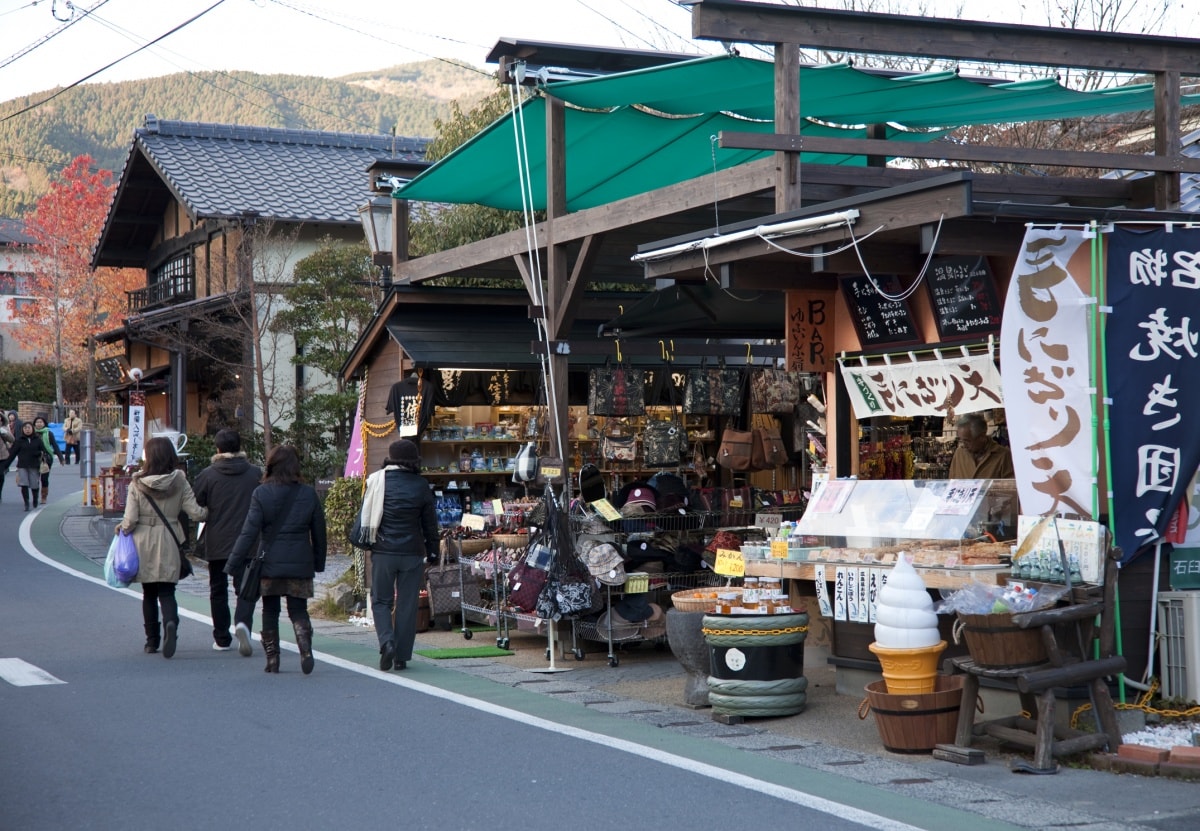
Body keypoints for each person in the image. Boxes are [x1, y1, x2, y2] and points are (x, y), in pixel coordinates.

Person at [225, 445, 326, 674]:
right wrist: (318, 563)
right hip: (300, 562)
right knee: (298, 610)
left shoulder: (261, 493)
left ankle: (273, 660)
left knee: (270, 611)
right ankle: (306, 649)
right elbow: (320, 532)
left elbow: (248, 532)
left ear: (271, 466)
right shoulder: (308, 493)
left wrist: (233, 563)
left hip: (268, 562)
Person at [118, 437, 208, 658]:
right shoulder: (179, 481)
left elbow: (130, 520)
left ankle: (151, 641)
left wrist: (121, 529)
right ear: (171, 455)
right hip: (169, 538)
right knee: (167, 591)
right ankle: (171, 624)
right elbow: (196, 513)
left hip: (143, 540)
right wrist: (211, 512)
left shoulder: (137, 483)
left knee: (149, 592)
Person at [357, 439, 439, 672]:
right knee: (407, 604)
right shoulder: (421, 485)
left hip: (383, 551)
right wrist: (433, 550)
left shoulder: (377, 481)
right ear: (414, 461)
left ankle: (387, 642)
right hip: (412, 552)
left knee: (381, 601)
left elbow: (367, 515)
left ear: (390, 458)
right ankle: (401, 657)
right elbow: (430, 524)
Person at [193, 429, 263, 653]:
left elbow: (197, 503)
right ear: (240, 447)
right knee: (245, 587)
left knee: (218, 589)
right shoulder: (255, 474)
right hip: (248, 541)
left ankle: (222, 638)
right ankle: (243, 623)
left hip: (217, 540)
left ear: (218, 449)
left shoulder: (207, 475)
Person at [948, 412, 1014, 480]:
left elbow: (1011, 486)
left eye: (967, 441)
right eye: (960, 440)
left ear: (982, 437)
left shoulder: (1003, 456)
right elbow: (951, 481)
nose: (963, 445)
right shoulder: (959, 453)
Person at [11, 421, 45, 511]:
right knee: (24, 484)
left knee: (34, 484)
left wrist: (38, 454)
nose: (27, 429)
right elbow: (12, 453)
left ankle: (35, 500)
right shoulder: (19, 440)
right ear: (23, 429)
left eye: (29, 427)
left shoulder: (37, 440)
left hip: (34, 465)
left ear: (32, 429)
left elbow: (43, 451)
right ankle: (26, 502)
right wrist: (5, 465)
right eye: (25, 428)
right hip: (22, 465)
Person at [32, 415, 62, 501]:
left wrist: (61, 458)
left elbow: (55, 445)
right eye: (37, 422)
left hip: (46, 458)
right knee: (35, 479)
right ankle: (35, 495)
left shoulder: (49, 433)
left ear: (44, 423)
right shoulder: (32, 433)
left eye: (41, 422)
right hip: (34, 458)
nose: (39, 424)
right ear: (34, 424)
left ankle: (44, 496)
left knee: (44, 478)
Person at [0, 412, 14, 502]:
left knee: (0, 475)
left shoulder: (4, 429)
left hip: (2, 456)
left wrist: (4, 433)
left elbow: (12, 439)